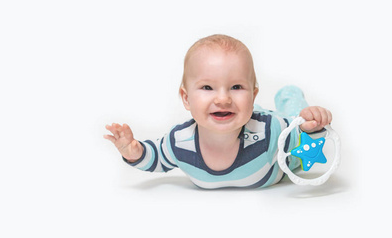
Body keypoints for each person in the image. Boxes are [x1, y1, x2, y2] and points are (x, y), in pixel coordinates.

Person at [104, 34, 332, 189]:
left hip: (273, 149)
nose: (223, 98)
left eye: (236, 87)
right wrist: (133, 151)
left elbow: (303, 138)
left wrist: (311, 123)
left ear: (252, 96)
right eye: (207, 87)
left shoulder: (270, 129)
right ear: (186, 98)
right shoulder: (180, 142)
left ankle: (290, 96)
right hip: (245, 114)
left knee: (295, 113)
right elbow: (156, 158)